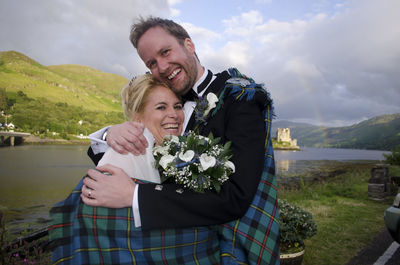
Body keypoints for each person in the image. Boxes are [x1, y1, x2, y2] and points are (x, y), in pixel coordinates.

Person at [85, 17, 280, 264]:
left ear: (189, 45)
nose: (163, 66)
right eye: (152, 63)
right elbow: (141, 157)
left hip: (225, 245)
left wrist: (135, 195)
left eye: (166, 52)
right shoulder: (168, 103)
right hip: (170, 242)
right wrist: (109, 133)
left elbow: (236, 196)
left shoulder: (239, 98)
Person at [49, 74, 221, 264]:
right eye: (161, 107)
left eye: (177, 106)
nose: (174, 114)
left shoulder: (179, 151)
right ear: (137, 117)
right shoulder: (125, 155)